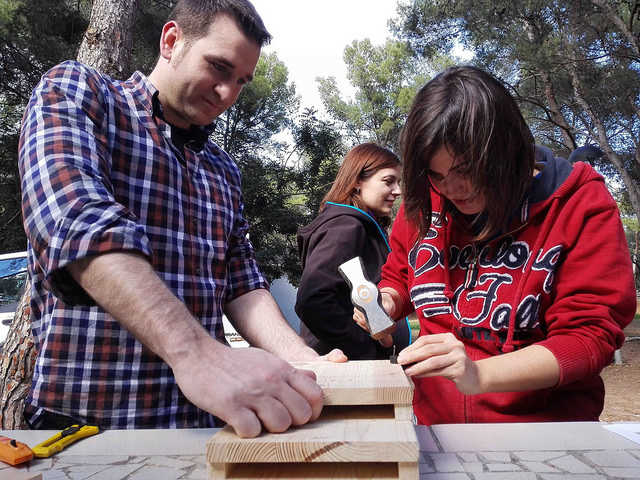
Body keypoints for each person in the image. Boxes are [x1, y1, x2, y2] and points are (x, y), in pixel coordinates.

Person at [18, 0, 345, 438]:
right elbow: (77, 221)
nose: (227, 94)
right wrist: (196, 354)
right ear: (171, 41)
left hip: (206, 430)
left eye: (242, 81)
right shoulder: (80, 94)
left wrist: (302, 360)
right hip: (87, 432)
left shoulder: (223, 170)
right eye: (219, 67)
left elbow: (242, 283)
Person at [354, 66, 636, 424]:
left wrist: (480, 374)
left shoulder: (579, 204)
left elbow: (589, 337)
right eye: (437, 175)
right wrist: (385, 303)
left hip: (543, 434)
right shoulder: (427, 199)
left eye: (466, 169)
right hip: (437, 429)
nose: (452, 189)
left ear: (507, 148)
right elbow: (401, 274)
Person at [295, 143, 411, 359]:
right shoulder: (345, 227)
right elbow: (313, 300)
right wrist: (367, 351)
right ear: (357, 181)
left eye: (399, 182)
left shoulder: (361, 226)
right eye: (388, 181)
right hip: (348, 366)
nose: (398, 191)